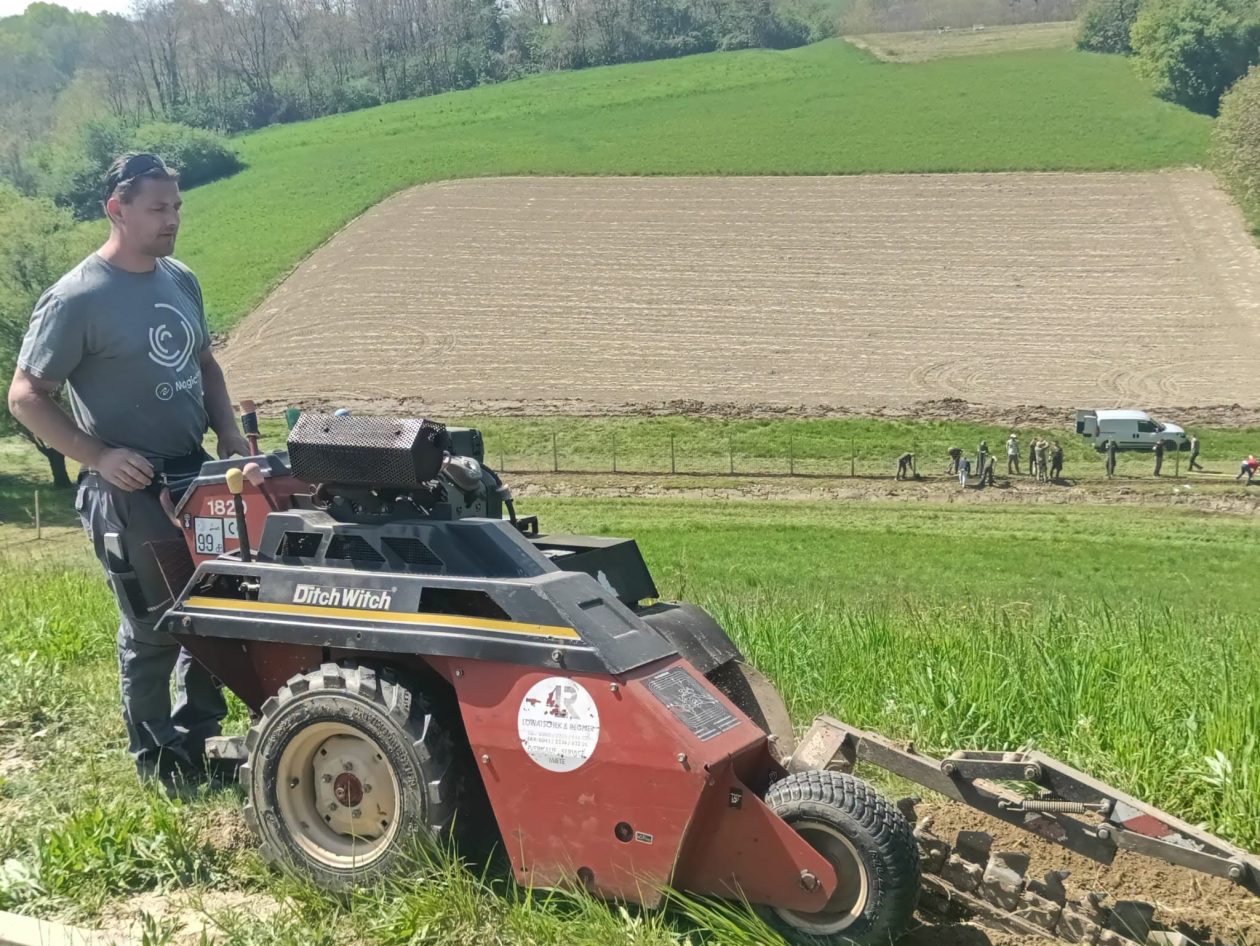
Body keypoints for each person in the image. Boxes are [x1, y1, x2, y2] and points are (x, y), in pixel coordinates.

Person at [6, 153, 250, 790]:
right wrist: (99, 457)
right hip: (126, 488)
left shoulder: (181, 278)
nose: (172, 220)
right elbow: (27, 395)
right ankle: (160, 760)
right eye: (157, 208)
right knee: (152, 627)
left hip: (196, 479)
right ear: (117, 209)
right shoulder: (77, 297)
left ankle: (201, 736)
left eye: (176, 207)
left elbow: (205, 363)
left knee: (217, 610)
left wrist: (226, 431)